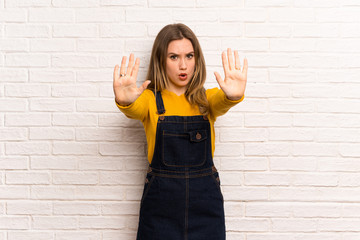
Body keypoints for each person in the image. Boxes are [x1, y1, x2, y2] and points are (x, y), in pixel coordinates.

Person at [113, 23, 247, 240]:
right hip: (161, 206)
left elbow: (222, 102)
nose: (183, 65)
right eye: (174, 57)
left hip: (205, 205)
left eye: (189, 56)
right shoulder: (148, 99)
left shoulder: (207, 99)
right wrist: (124, 101)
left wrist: (232, 96)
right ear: (160, 60)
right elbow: (133, 110)